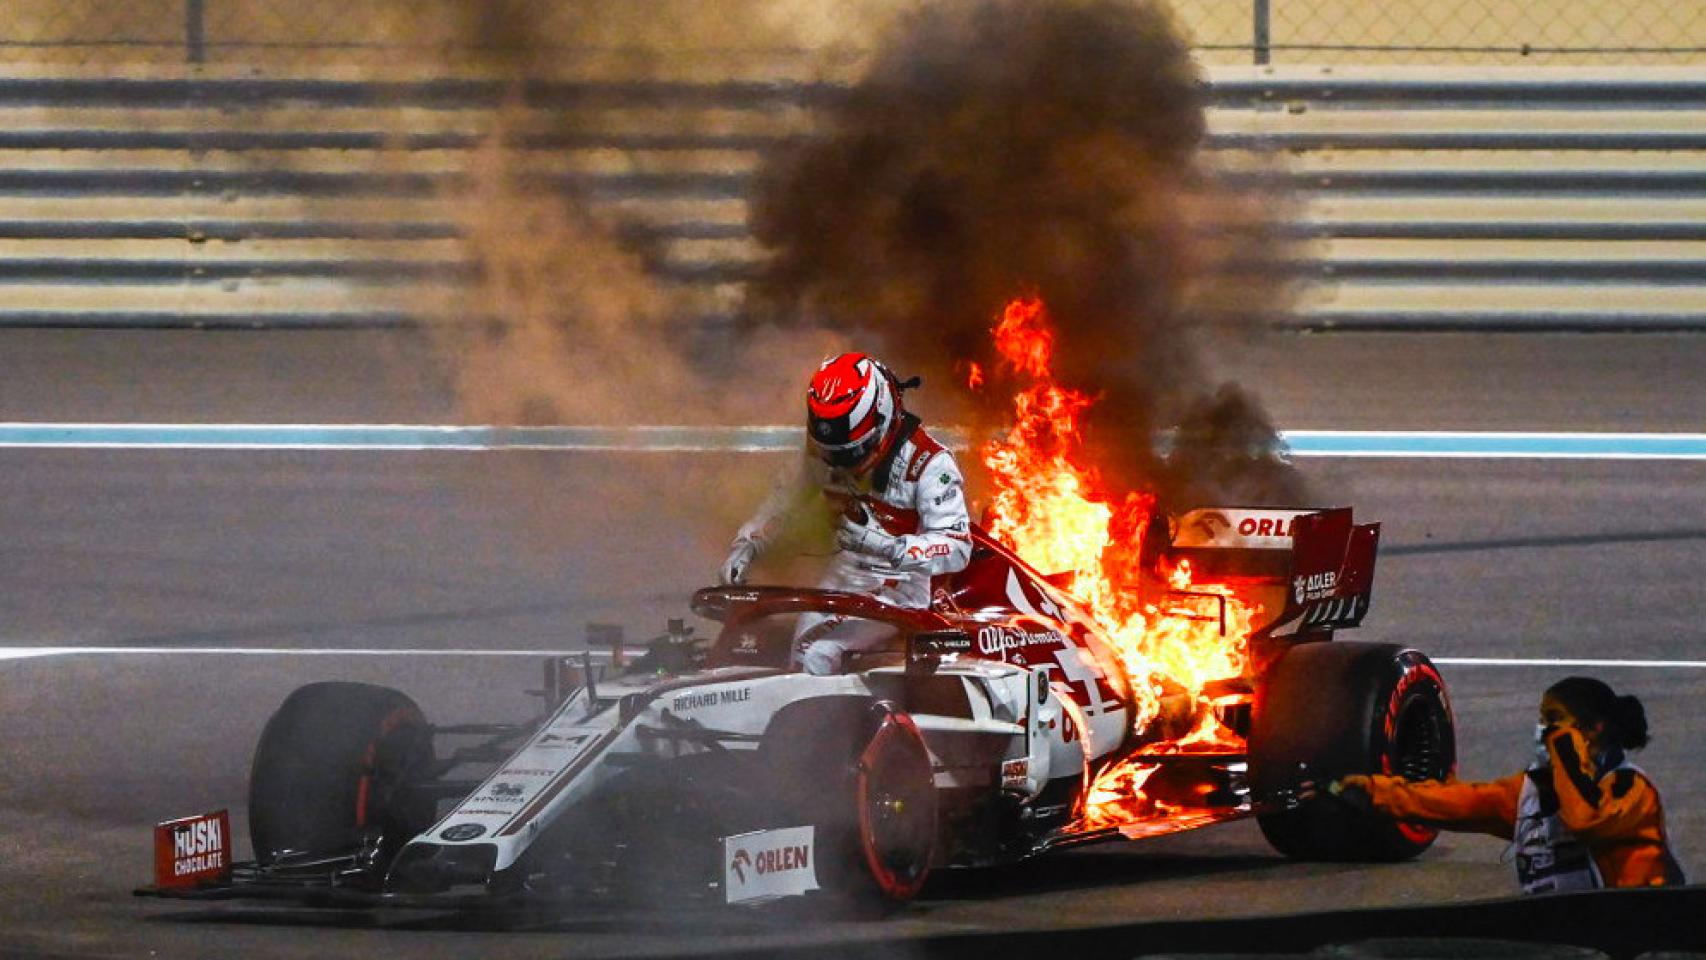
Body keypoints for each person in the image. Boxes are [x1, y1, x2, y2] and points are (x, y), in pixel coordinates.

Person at [719, 351, 972, 675]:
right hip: (842, 579)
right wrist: (748, 544)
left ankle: (826, 723)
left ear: (881, 420)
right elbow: (782, 505)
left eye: (851, 452)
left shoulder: (929, 463)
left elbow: (958, 546)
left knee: (815, 652)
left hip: (900, 586)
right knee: (772, 644)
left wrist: (886, 547)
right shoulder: (822, 453)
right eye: (830, 451)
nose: (838, 464)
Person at [1332, 676, 1685, 893]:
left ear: (1593, 729)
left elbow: (1585, 819)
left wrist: (1564, 751)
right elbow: (1454, 802)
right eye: (1542, 720)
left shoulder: (1632, 789)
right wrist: (1371, 791)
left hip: (1642, 941)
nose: (1544, 730)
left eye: (1555, 720)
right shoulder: (1528, 793)